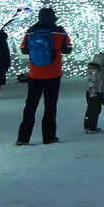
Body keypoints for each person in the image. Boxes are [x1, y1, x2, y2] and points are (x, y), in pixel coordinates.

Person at [16, 7, 72, 145]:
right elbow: (68, 49)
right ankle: (49, 137)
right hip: (53, 74)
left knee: (30, 106)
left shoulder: (31, 31)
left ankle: (23, 138)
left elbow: (24, 49)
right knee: (50, 106)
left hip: (35, 74)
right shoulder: (60, 32)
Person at [84, 51, 104, 133]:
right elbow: (92, 82)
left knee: (94, 110)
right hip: (94, 93)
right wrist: (93, 93)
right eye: (103, 61)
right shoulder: (94, 71)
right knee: (93, 111)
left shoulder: (101, 70)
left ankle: (88, 125)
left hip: (98, 93)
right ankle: (91, 126)